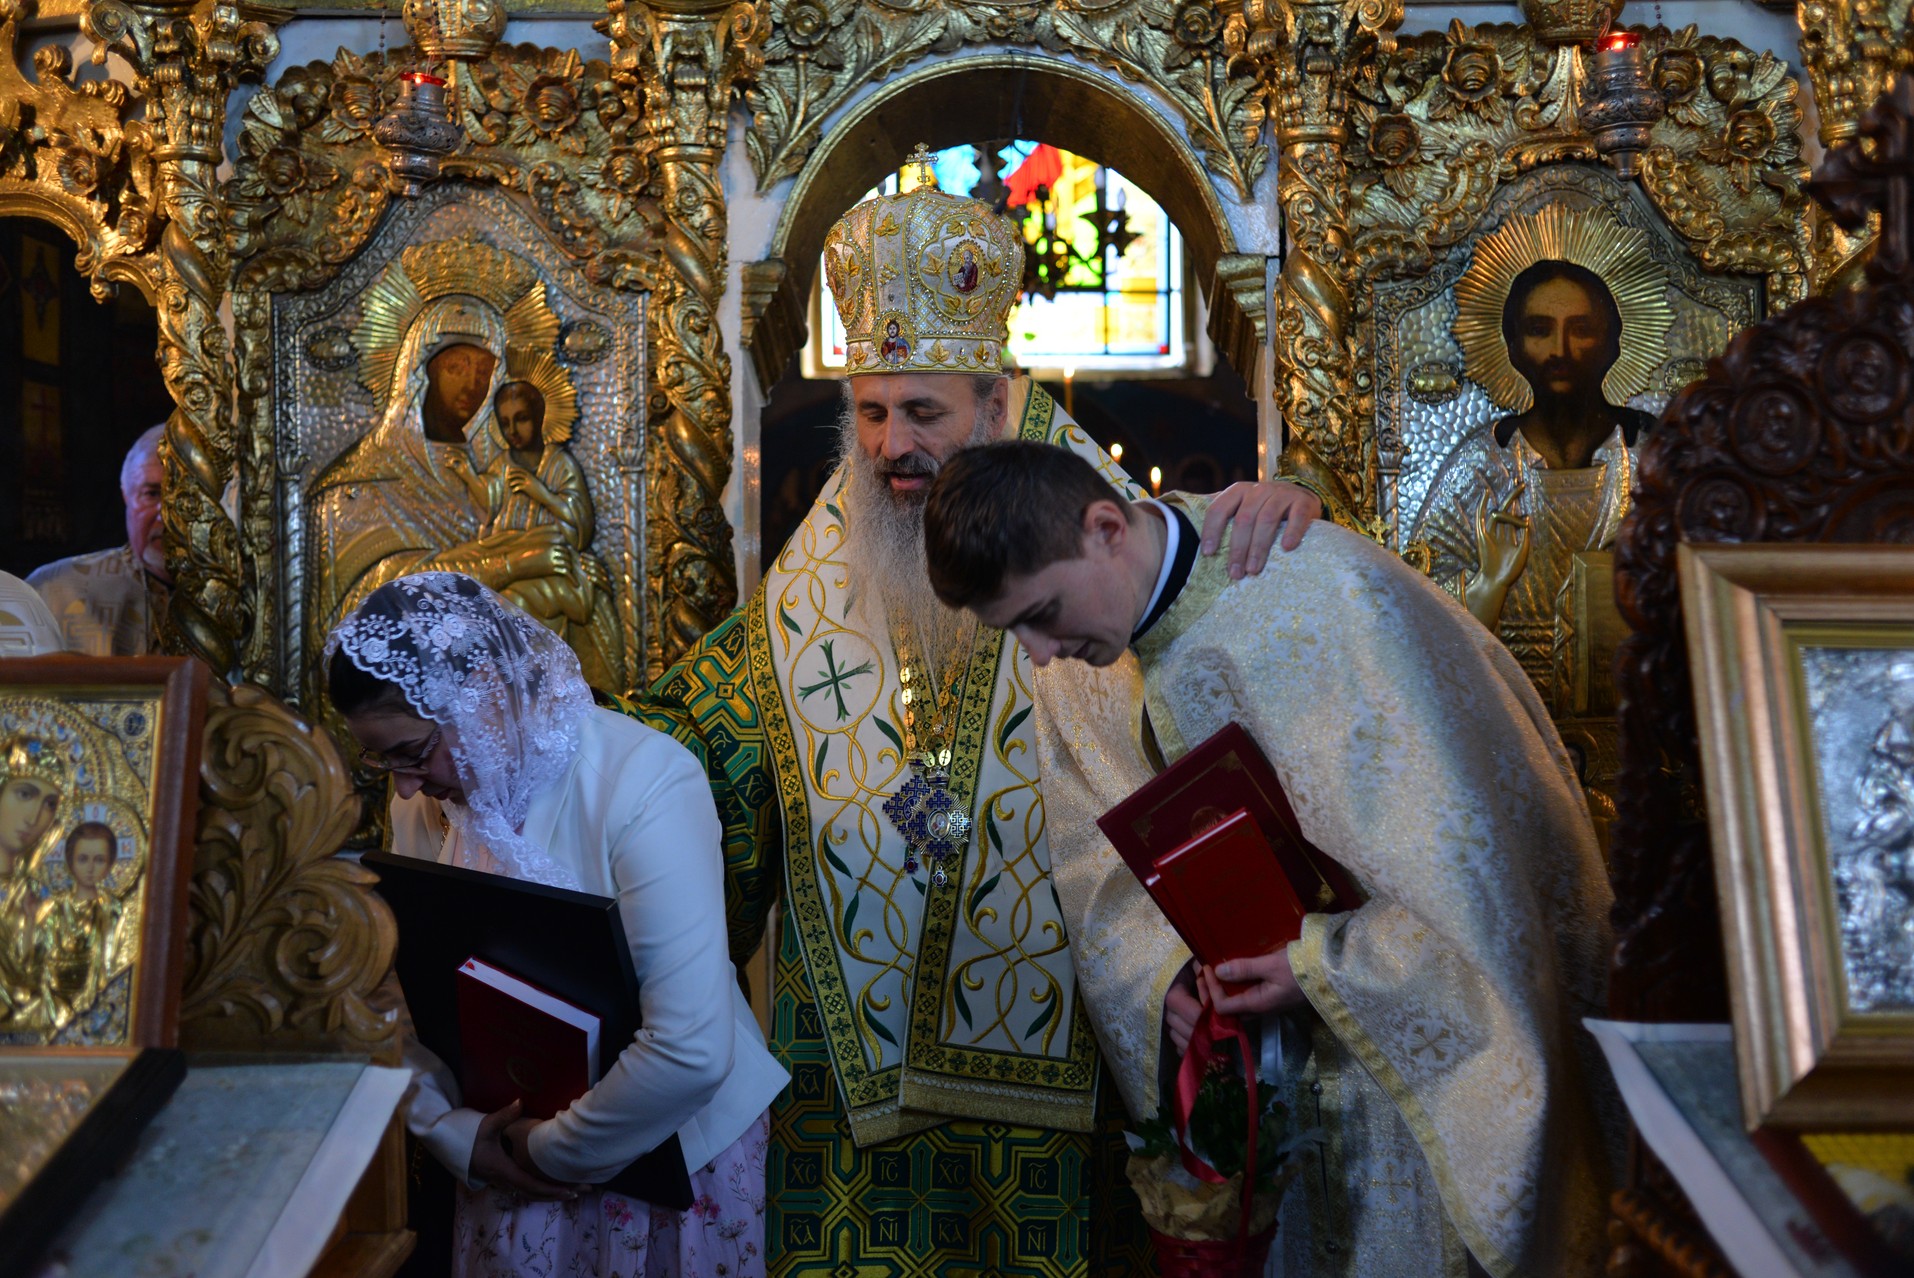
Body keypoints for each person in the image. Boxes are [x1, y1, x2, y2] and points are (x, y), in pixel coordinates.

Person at [635, 151, 1323, 1277]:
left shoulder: (1104, 546)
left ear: (998, 402)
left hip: (1065, 1082)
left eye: (921, 412)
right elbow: (698, 742)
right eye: (866, 413)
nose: (888, 447)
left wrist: (1293, 520)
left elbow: (1218, 635)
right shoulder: (811, 583)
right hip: (852, 1097)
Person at [921, 440, 1618, 1277]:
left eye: (1042, 613)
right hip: (1262, 1087)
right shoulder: (1076, 668)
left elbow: (1475, 881)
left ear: (1106, 527)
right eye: (1013, 632)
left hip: (1393, 1097)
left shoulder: (1324, 597)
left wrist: (1325, 966)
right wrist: (1168, 980)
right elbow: (1092, 864)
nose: (1037, 654)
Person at [325, 572, 787, 1276]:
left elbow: (690, 1048)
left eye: (414, 753)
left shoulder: (645, 780)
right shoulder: (422, 806)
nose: (407, 785)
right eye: (382, 759)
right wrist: (456, 1135)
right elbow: (402, 1001)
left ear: (480, 692)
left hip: (668, 1159)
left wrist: (538, 1152)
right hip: (504, 1162)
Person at [1414, 259, 1657, 691]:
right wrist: (1489, 582)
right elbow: (1418, 605)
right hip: (1510, 717)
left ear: (1611, 343)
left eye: (1581, 329)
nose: (1560, 350)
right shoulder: (1481, 466)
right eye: (1540, 330)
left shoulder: (1654, 458)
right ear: (1513, 347)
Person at [28, 425, 171, 655]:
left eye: (185, 496)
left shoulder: (245, 595)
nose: (167, 516)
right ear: (127, 496)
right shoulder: (52, 592)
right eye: (152, 494)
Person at [33, 821, 128, 1029]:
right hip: (53, 1002)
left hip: (98, 1005)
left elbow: (114, 962)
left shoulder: (113, 911)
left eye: (99, 860)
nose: (91, 868)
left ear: (110, 863)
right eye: (83, 859)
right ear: (70, 861)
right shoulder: (52, 909)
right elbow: (40, 963)